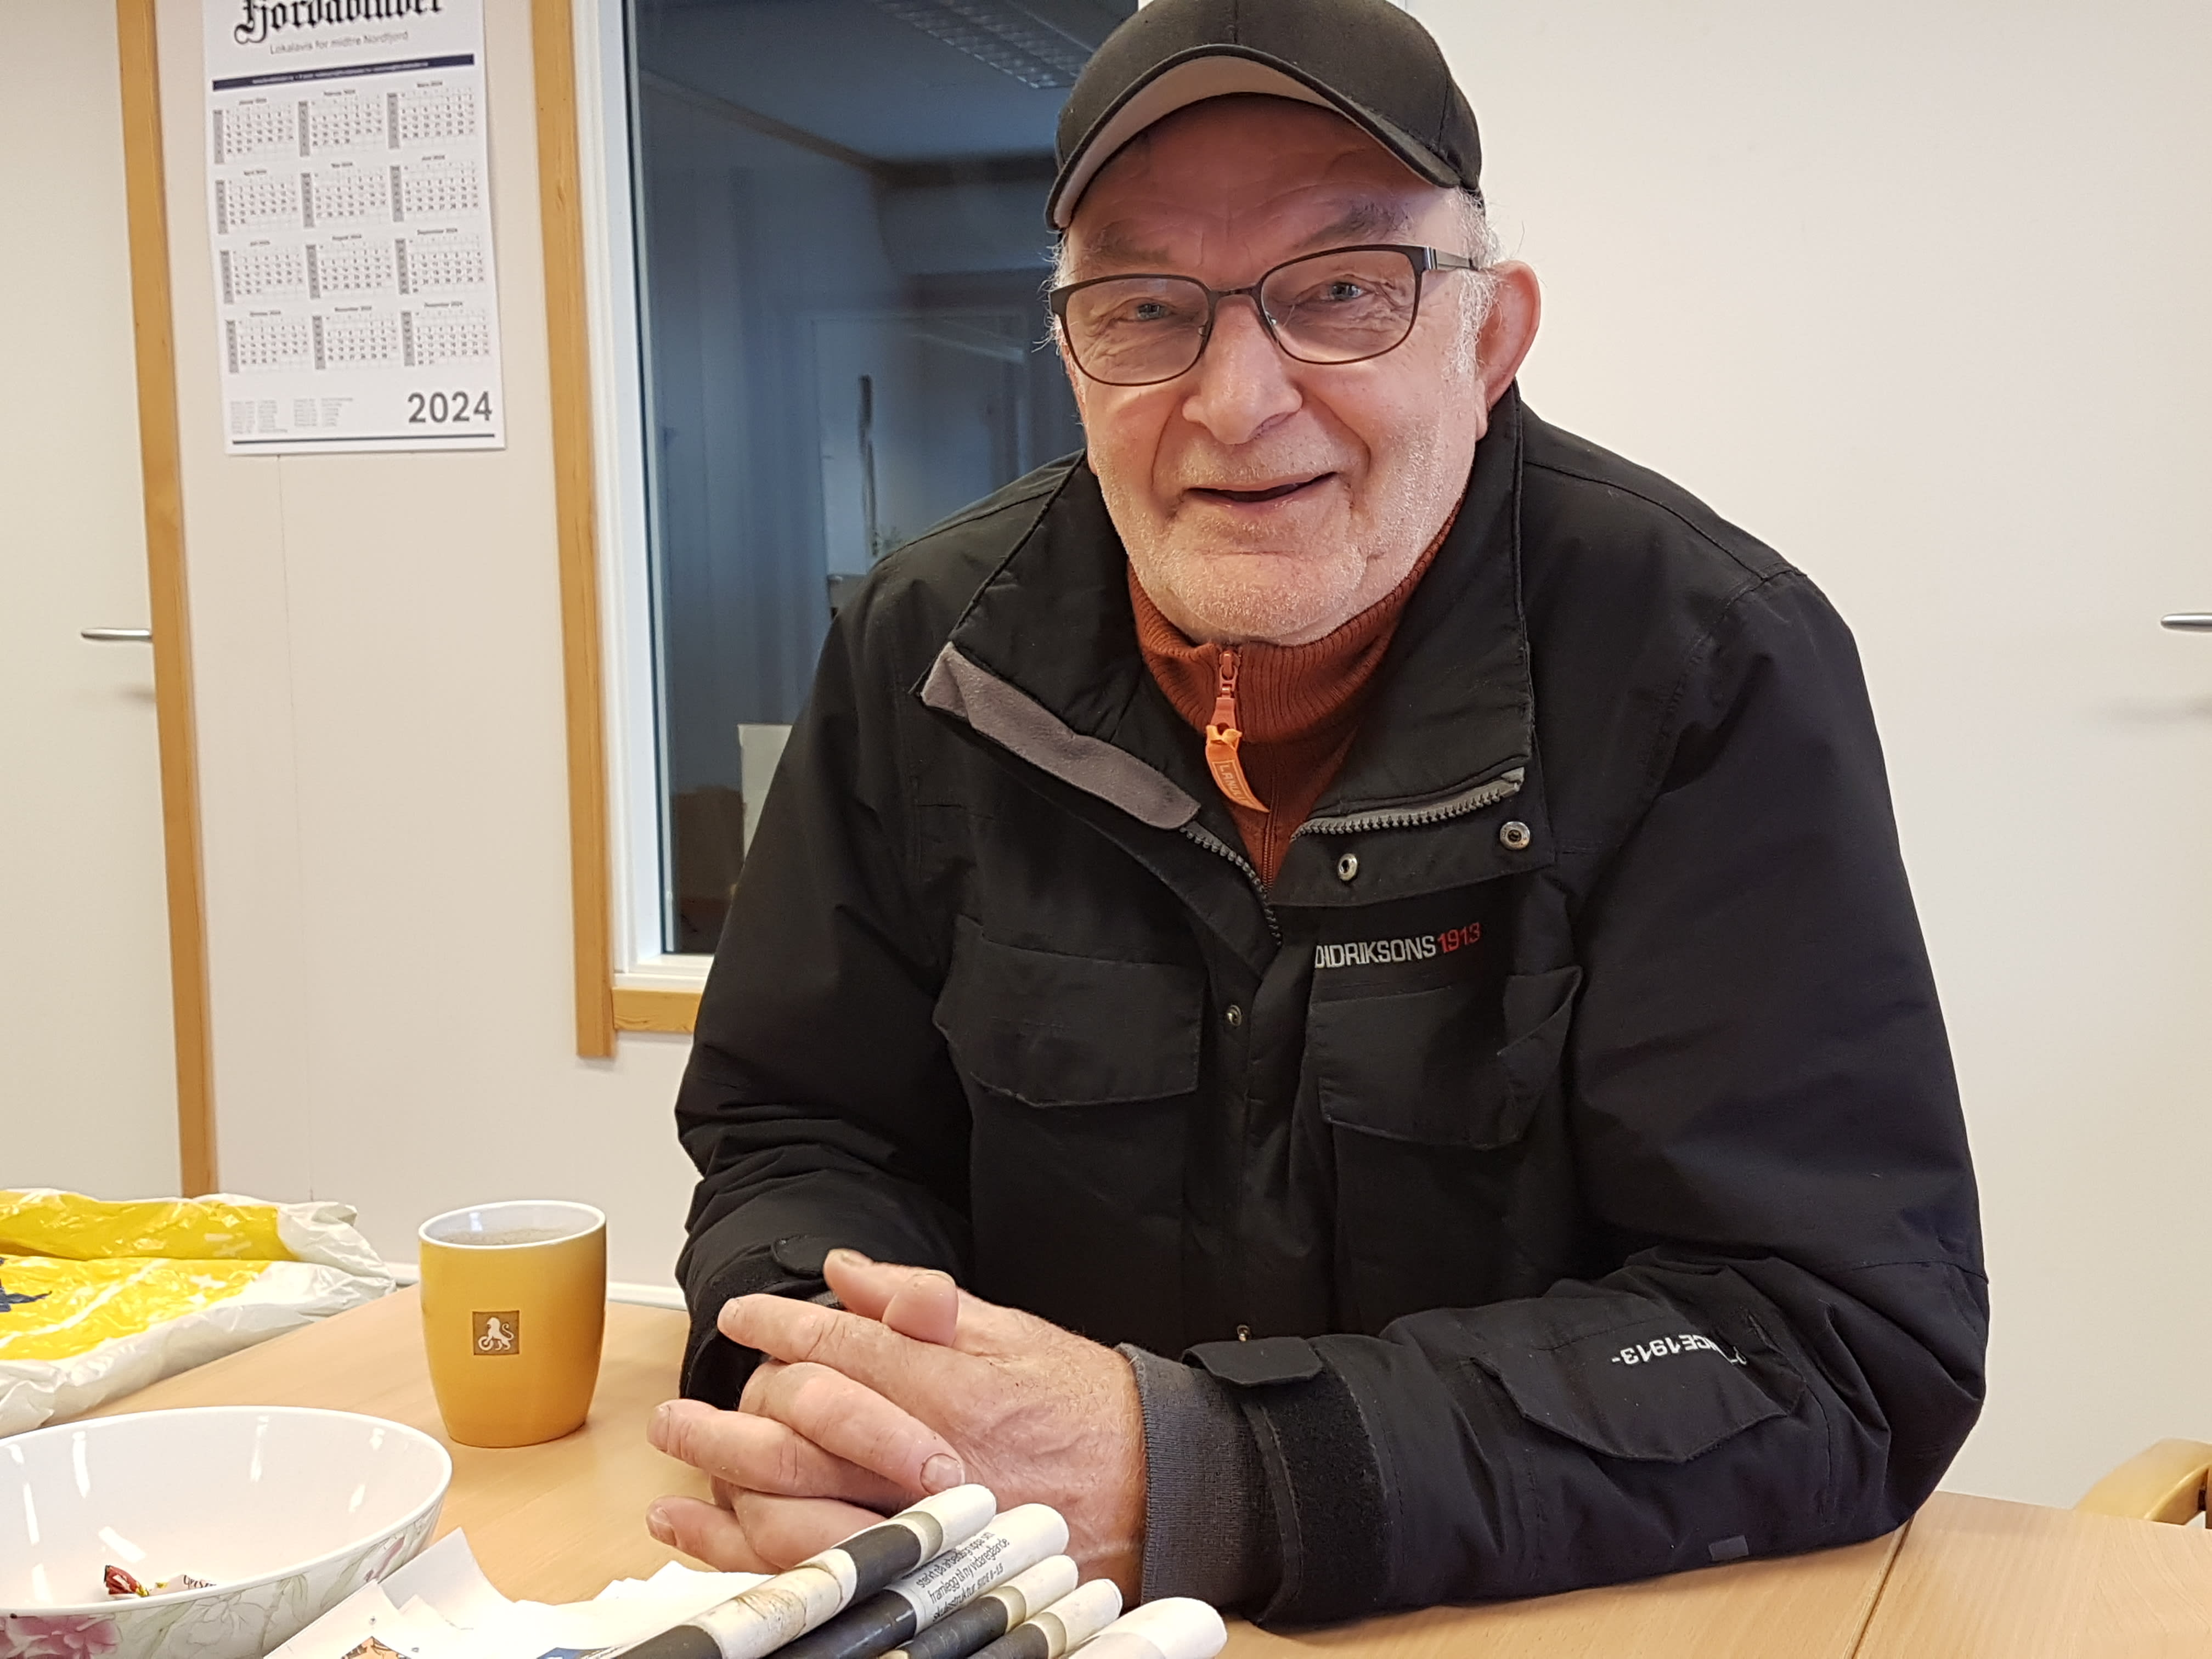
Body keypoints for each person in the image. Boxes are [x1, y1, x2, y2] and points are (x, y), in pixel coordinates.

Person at [646, 0, 1987, 1624]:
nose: (1235, 401)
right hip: (1016, 1593)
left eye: (1344, 291)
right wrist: (833, 1396)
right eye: (1147, 308)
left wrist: (1210, 1473)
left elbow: (1827, 1343)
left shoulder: (1700, 660)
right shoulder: (928, 649)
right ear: (1072, 355)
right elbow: (802, 1137)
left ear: (1491, 340)